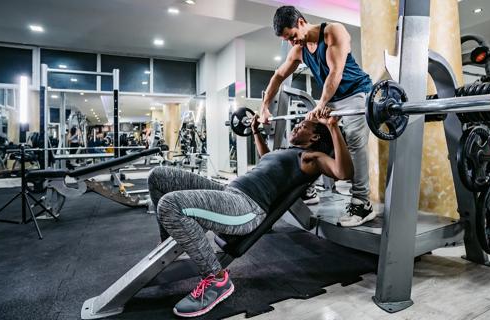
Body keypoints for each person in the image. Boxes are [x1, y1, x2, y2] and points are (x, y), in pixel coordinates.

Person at [148, 110, 352, 317]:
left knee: (170, 204)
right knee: (159, 176)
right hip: (229, 191)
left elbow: (344, 173)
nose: (297, 125)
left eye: (303, 125)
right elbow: (267, 157)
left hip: (246, 207)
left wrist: (333, 126)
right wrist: (255, 131)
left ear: (315, 137)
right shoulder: (286, 151)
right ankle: (171, 241)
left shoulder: (311, 158)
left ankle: (217, 281)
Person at [260, 6, 374, 227]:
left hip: (357, 94)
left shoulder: (333, 32)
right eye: (288, 41)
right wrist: (264, 107)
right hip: (331, 99)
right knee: (311, 139)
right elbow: (278, 76)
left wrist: (321, 104)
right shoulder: (299, 51)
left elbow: (335, 72)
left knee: (354, 140)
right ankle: (307, 188)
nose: (293, 43)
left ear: (301, 23)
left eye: (293, 37)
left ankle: (362, 202)